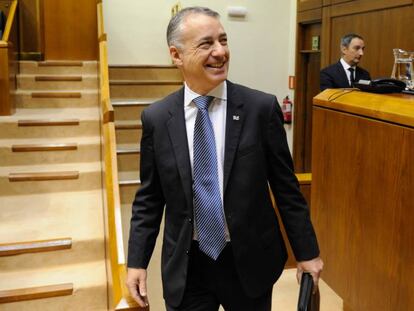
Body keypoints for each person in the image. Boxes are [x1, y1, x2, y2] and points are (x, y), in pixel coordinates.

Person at [127, 6, 323, 311]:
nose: (220, 52)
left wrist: (307, 252)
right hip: (188, 266)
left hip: (249, 260)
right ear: (176, 55)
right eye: (206, 44)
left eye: (224, 40)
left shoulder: (259, 108)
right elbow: (149, 199)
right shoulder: (156, 118)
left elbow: (286, 188)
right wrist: (136, 261)